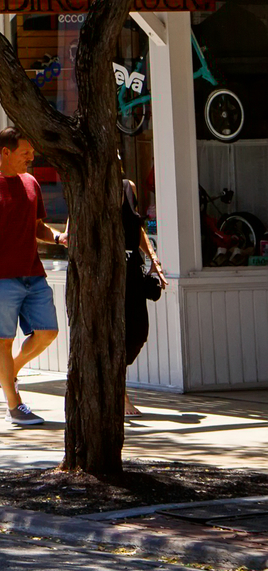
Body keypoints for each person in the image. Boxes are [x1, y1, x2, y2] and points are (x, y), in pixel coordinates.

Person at [0, 126, 68, 426]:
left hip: (33, 273)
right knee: (3, 342)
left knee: (48, 332)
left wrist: (59, 239)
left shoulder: (31, 183)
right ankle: (15, 406)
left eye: (32, 152)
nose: (31, 158)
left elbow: (38, 228)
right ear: (5, 152)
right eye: (26, 153)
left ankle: (10, 371)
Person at [123, 175, 168, 418]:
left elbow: (136, 227)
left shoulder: (127, 186)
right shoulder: (87, 185)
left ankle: (115, 384)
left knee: (138, 332)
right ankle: (120, 394)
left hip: (132, 271)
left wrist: (154, 260)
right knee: (115, 336)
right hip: (106, 277)